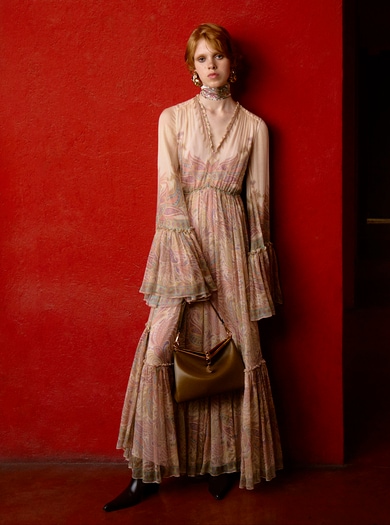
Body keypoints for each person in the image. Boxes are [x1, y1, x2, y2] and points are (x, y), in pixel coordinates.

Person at [103, 22, 283, 512]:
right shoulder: (173, 119)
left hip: (232, 242)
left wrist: (256, 270)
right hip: (183, 240)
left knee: (235, 345)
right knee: (162, 343)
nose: (211, 66)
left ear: (233, 65)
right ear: (192, 68)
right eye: (202, 59)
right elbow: (168, 190)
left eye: (218, 57)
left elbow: (260, 203)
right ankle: (146, 473)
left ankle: (224, 461)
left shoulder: (254, 127)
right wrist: (185, 254)